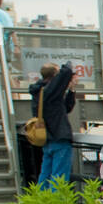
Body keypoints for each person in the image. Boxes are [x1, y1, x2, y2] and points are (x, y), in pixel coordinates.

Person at [29, 61, 79, 190]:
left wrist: (71, 89)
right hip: (59, 139)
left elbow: (64, 108)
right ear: (55, 76)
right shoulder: (50, 90)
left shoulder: (39, 91)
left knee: (44, 177)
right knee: (59, 179)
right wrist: (68, 65)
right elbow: (66, 70)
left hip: (48, 140)